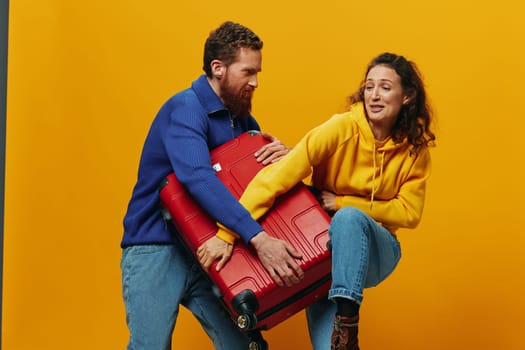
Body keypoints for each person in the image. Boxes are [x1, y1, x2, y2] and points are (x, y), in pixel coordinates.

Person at [197, 52, 436, 350]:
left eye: (385, 87)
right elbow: (275, 179)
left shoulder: (414, 151)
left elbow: (409, 213)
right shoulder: (341, 128)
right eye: (369, 86)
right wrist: (226, 233)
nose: (374, 95)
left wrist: (343, 202)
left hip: (378, 249)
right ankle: (344, 337)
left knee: (348, 218)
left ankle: (347, 323)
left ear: (407, 96)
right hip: (327, 256)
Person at [120, 21, 304, 350]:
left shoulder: (243, 120)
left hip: (213, 248)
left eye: (258, 72)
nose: (256, 82)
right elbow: (197, 178)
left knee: (243, 345)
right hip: (157, 248)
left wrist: (288, 158)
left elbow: (255, 187)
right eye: (248, 72)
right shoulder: (185, 108)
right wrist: (259, 239)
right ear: (218, 68)